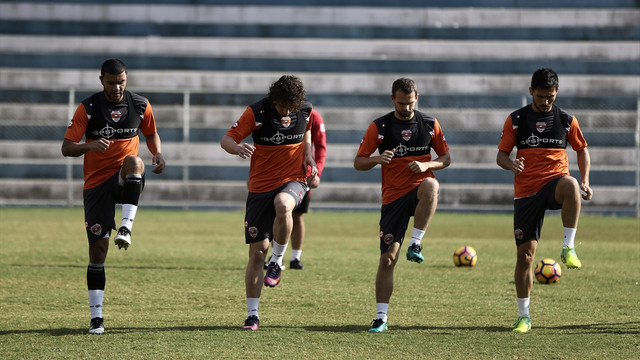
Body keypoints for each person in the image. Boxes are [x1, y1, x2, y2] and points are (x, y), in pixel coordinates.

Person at [61, 58, 166, 334]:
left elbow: (152, 133)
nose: (117, 87)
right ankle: (96, 317)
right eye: (111, 82)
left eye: (121, 82)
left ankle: (126, 226)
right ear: (101, 81)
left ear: (126, 79)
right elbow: (66, 147)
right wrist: (90, 145)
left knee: (135, 162)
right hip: (96, 185)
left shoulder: (140, 105)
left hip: (123, 177)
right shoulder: (89, 107)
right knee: (98, 251)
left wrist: (157, 153)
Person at [496, 67, 592, 333]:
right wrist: (512, 164)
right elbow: (501, 156)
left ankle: (568, 246)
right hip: (526, 192)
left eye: (550, 96)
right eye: (540, 96)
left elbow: (582, 150)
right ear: (530, 92)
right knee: (525, 257)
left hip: (554, 183)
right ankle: (523, 316)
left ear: (556, 92)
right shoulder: (516, 120)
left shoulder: (566, 120)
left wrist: (585, 179)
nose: (545, 101)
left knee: (571, 184)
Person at [220, 75, 318, 331]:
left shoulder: (305, 110)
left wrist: (308, 154)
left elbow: (307, 131)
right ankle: (252, 315)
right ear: (274, 99)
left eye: (291, 107)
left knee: (284, 205)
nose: (286, 112)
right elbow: (226, 139)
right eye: (282, 106)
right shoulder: (257, 112)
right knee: (255, 254)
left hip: (294, 180)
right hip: (259, 188)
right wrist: (237, 148)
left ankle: (277, 260)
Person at [354, 78, 451, 333]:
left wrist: (426, 165)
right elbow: (358, 162)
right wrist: (377, 159)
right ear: (392, 99)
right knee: (387, 260)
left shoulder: (429, 124)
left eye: (410, 103)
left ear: (416, 97)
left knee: (431, 186)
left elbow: (445, 158)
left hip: (419, 188)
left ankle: (416, 242)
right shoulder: (381, 126)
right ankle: (381, 317)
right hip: (393, 198)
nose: (406, 108)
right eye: (401, 103)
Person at [264, 109, 326, 270]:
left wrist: (317, 172)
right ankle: (277, 257)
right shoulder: (274, 114)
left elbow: (320, 146)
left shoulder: (313, 116)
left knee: (297, 216)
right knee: (278, 213)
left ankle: (295, 258)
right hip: (277, 174)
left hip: (302, 176)